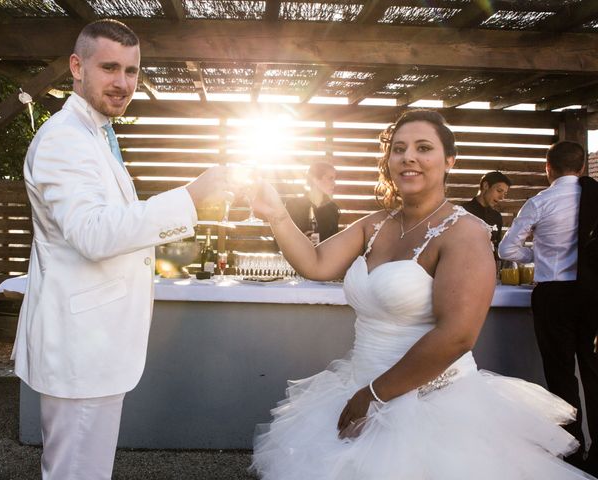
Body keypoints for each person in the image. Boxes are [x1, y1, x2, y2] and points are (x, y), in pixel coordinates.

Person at [249, 110, 592, 479]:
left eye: (423, 148)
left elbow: (457, 335)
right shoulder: (374, 225)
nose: (408, 157)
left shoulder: (464, 233)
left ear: (449, 161)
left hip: (429, 404)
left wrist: (375, 394)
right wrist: (277, 215)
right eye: (399, 149)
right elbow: (316, 263)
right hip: (356, 383)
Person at [12, 20, 233, 479]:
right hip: (80, 347)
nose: (122, 83)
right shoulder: (63, 139)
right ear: (77, 66)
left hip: (96, 343)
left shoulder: (97, 135)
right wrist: (191, 198)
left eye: (131, 71)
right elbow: (93, 234)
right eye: (109, 67)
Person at [499, 141, 598, 475]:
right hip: (594, 294)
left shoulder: (539, 202)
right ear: (582, 168)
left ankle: (572, 452)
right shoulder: (595, 198)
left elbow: (507, 248)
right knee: (594, 371)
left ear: (548, 168)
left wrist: (537, 255)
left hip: (553, 295)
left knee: (560, 375)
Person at [285, 162, 340, 243]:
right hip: (299, 254)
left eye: (334, 179)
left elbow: (335, 242)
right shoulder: (292, 206)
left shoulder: (333, 209)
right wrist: (299, 241)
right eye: (330, 178)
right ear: (315, 179)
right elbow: (279, 240)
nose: (334, 183)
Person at [462, 170, 511, 254]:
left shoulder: (497, 217)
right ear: (486, 185)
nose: (502, 197)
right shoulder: (462, 212)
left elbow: (497, 247)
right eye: (499, 191)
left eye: (505, 194)